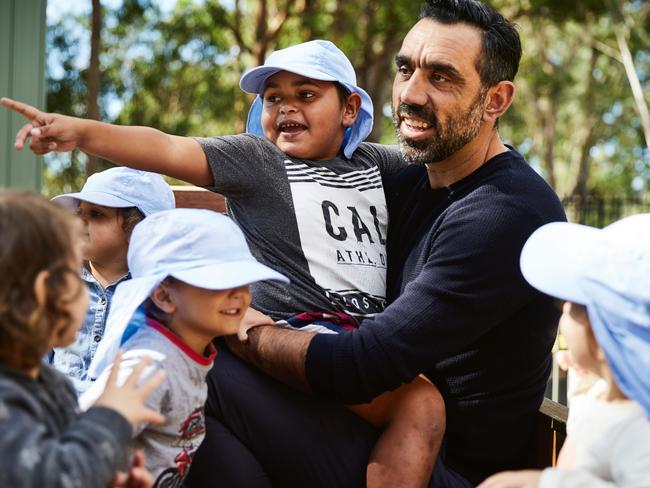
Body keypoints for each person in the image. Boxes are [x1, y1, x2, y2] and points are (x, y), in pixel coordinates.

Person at [2, 39, 446, 487]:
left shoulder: (381, 165)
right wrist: (80, 133)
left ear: (350, 108)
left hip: (363, 339)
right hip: (288, 334)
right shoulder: (258, 159)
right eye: (274, 99)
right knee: (420, 402)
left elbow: (449, 158)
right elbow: (167, 148)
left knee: (423, 406)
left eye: (306, 95)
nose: (286, 108)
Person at [188, 0, 568, 486]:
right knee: (186, 370)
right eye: (405, 69)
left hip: (437, 466)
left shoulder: (505, 212)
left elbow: (362, 365)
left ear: (496, 100)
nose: (411, 94)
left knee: (205, 372)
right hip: (359, 423)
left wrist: (246, 331)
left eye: (441, 77)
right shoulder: (410, 181)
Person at [79, 208, 289, 485]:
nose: (238, 293)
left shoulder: (187, 353)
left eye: (244, 280)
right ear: (164, 295)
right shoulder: (149, 366)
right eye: (219, 282)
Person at [0, 189, 166, 487]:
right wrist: (111, 414)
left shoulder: (47, 382)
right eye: (74, 272)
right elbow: (60, 478)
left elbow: (61, 458)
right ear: (47, 290)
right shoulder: (6, 400)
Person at [479, 214, 650, 487]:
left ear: (604, 338)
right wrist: (589, 378)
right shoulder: (605, 393)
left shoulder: (640, 433)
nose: (564, 310)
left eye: (574, 305)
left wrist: (539, 482)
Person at [48, 167, 175, 395]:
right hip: (55, 411)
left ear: (138, 228)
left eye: (96, 214)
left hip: (121, 416)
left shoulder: (159, 296)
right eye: (79, 213)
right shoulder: (59, 285)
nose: (79, 223)